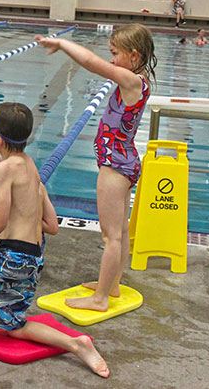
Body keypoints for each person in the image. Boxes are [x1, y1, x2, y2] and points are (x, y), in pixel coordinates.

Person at [0, 103, 107, 377]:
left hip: (10, 258)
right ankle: (76, 343)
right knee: (10, 325)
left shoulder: (4, 170)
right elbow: (48, 223)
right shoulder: (29, 164)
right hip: (31, 259)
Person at [36, 24, 156, 313]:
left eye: (115, 53)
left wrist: (63, 45)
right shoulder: (137, 80)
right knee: (120, 231)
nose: (112, 59)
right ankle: (112, 284)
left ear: (134, 54)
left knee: (110, 235)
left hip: (115, 167)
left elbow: (92, 63)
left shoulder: (131, 81)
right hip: (123, 161)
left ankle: (100, 298)